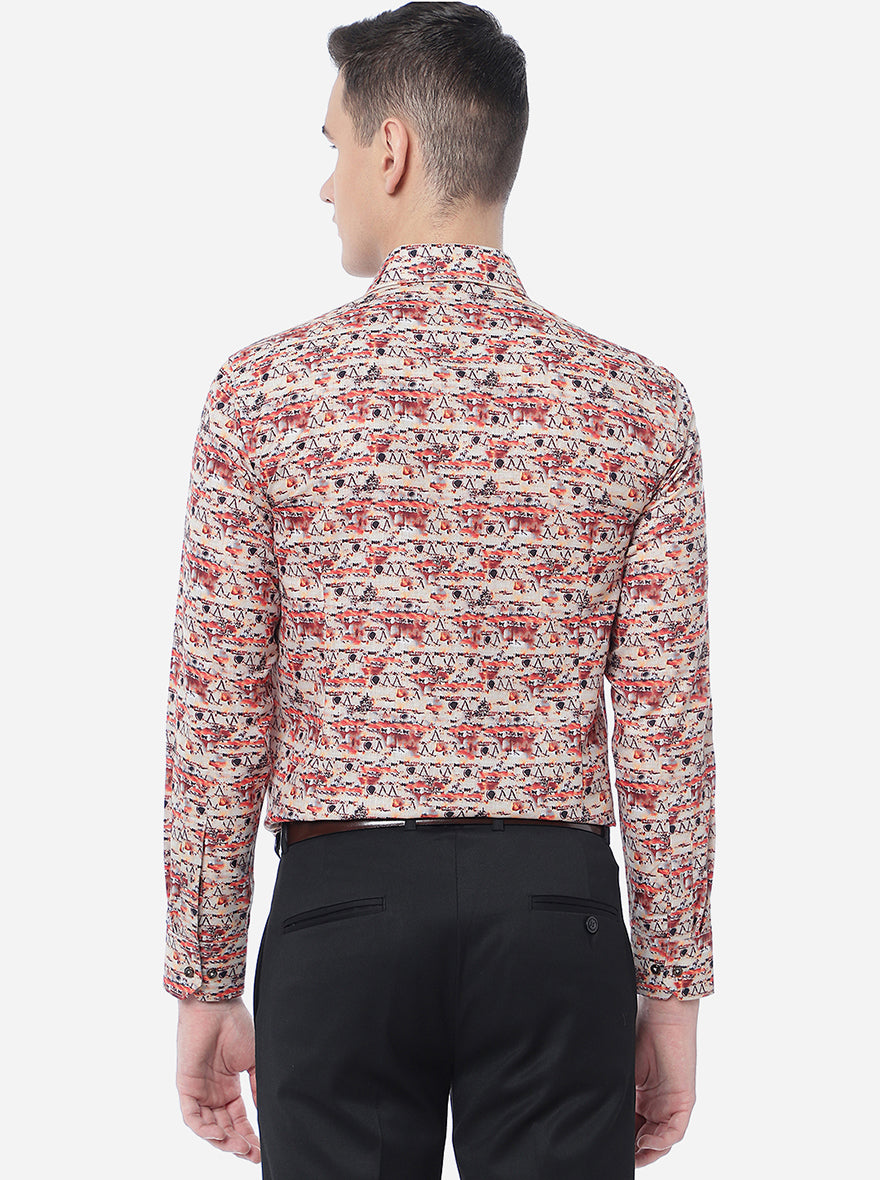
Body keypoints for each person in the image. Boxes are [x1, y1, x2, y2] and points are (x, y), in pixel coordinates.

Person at [163, 4, 716, 1176]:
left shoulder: (262, 396)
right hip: (554, 917)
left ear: (393, 150)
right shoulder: (638, 407)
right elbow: (666, 731)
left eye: (331, 146)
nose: (324, 185)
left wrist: (205, 978)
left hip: (340, 911)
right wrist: (671, 991)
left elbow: (218, 713)